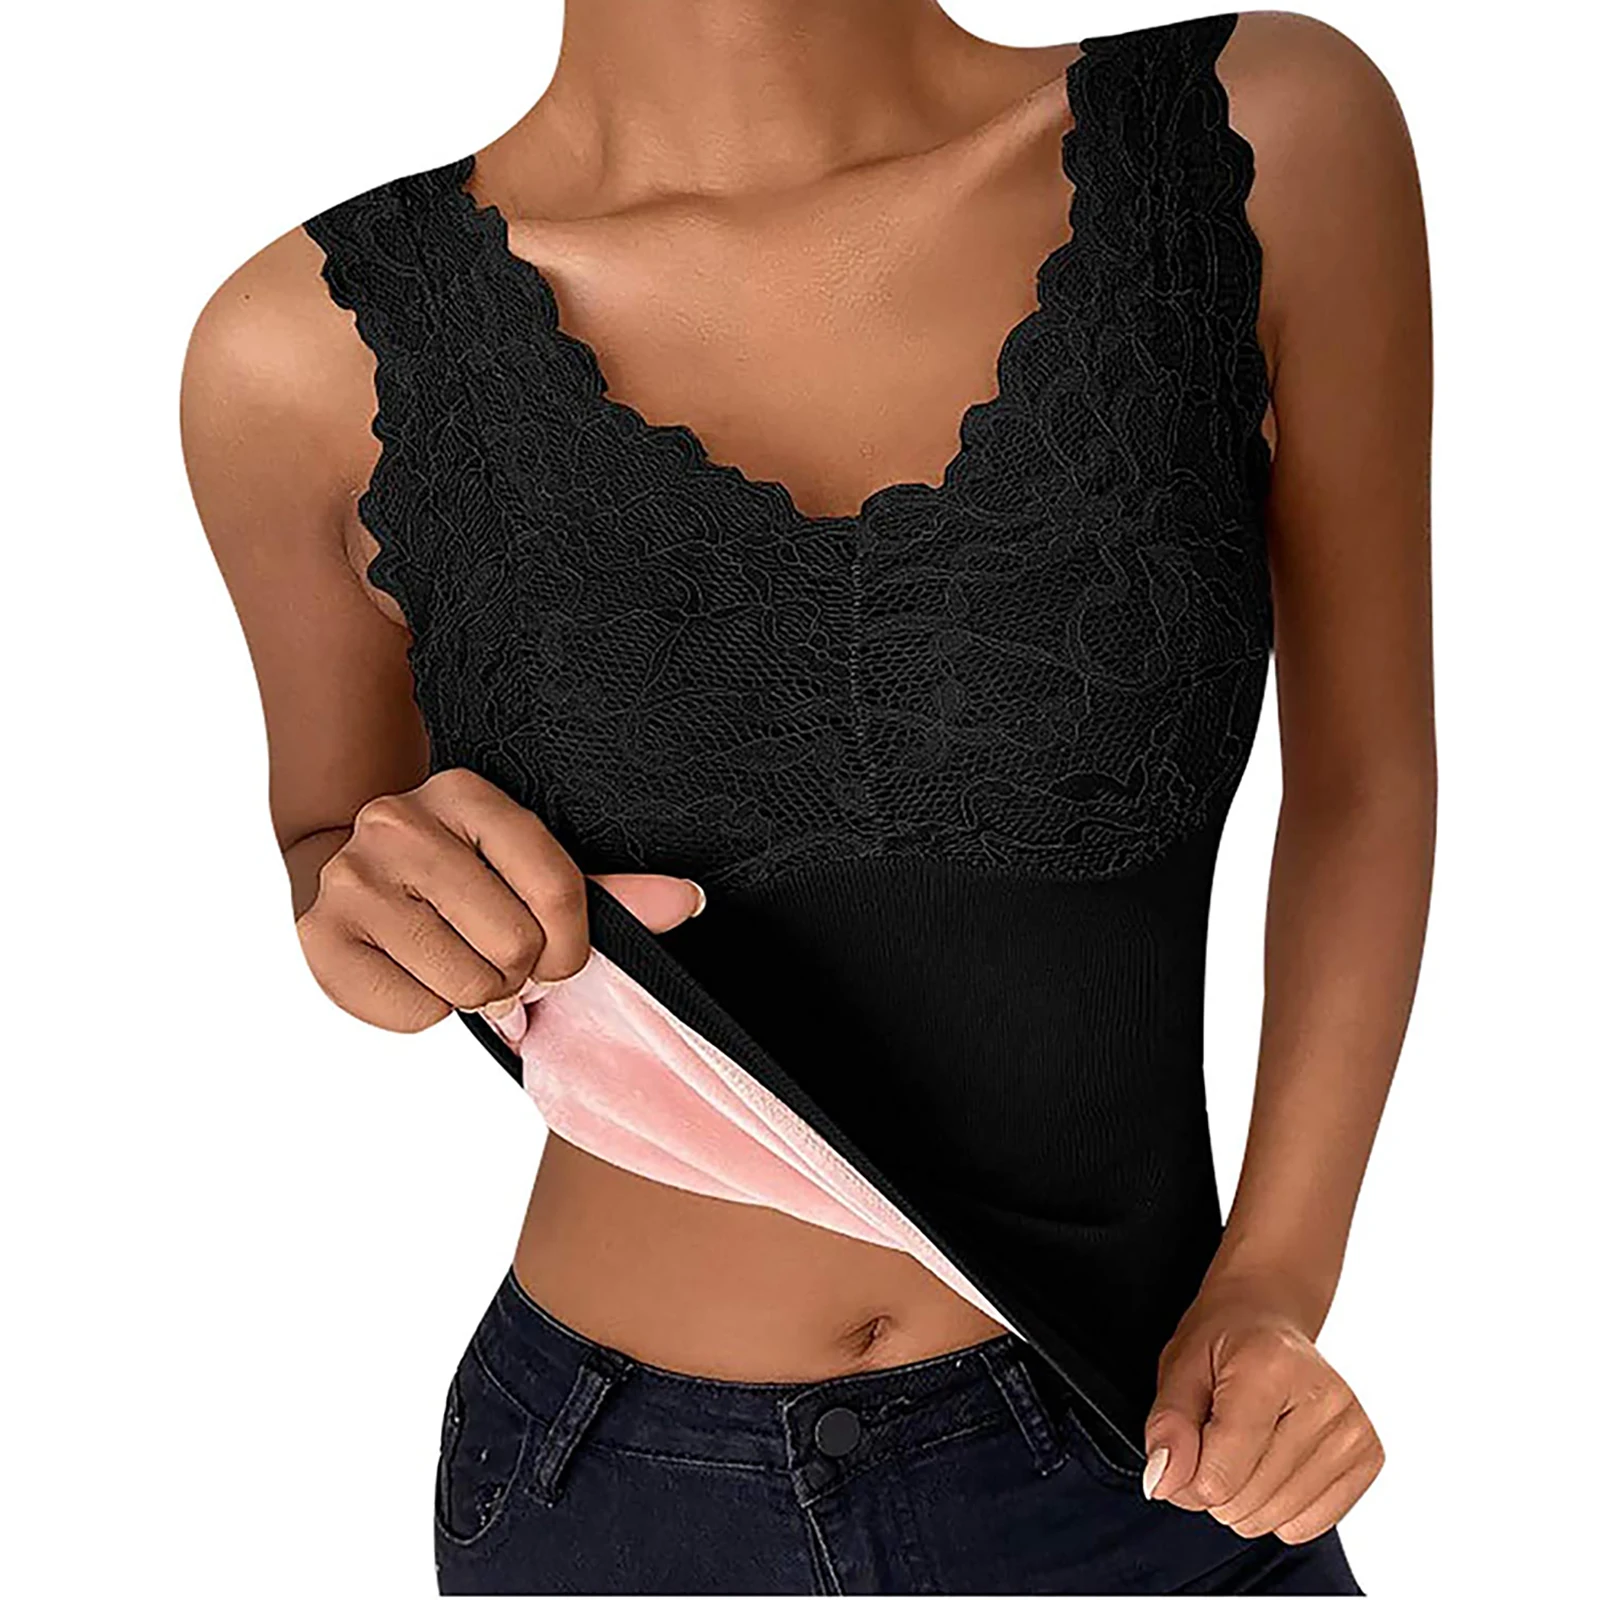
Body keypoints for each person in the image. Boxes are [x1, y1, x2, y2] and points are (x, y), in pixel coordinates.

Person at [179, 3, 1433, 1592]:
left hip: (1153, 1434)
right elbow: (335, 844)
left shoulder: (1266, 135)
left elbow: (1366, 776)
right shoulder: (297, 355)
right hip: (621, 1500)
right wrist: (360, 907)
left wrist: (1276, 1280)